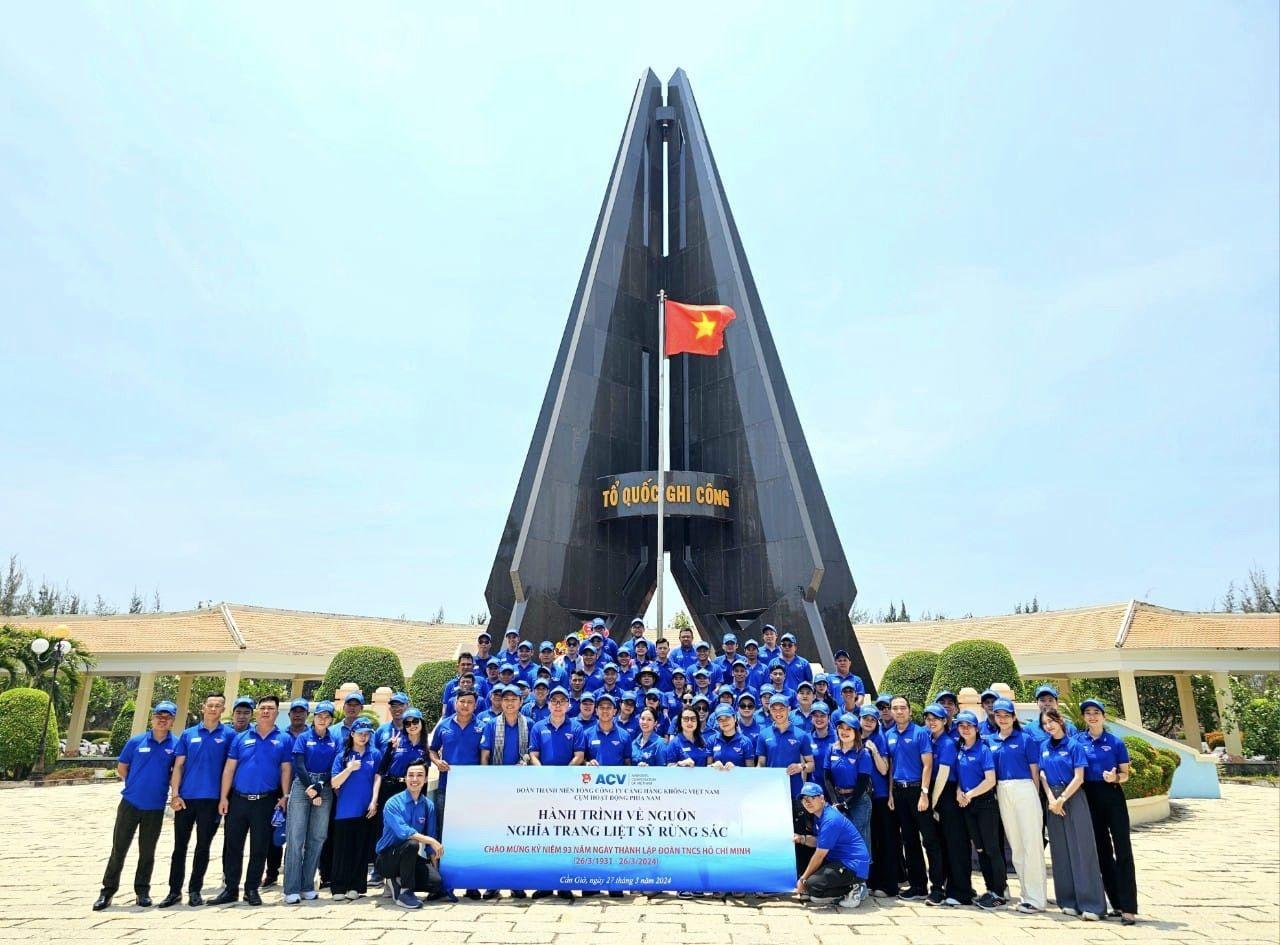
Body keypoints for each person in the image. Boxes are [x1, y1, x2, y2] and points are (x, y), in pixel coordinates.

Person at [93, 701, 179, 911]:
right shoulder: (136, 741)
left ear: (172, 720)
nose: (162, 720)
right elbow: (122, 768)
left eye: (167, 717)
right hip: (130, 803)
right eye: (159, 715)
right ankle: (108, 890)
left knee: (147, 851)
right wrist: (135, 784)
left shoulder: (176, 745)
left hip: (155, 807)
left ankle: (142, 890)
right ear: (153, 718)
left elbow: (176, 773)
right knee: (118, 849)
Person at [212, 695, 291, 907]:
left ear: (276, 713)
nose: (266, 711)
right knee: (233, 846)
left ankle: (251, 889)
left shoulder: (283, 739)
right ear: (257, 711)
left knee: (259, 847)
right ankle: (230, 889)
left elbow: (285, 769)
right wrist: (223, 797)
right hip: (238, 799)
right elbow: (229, 768)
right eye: (263, 708)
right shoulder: (240, 738)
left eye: (270, 709)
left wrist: (285, 796)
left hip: (265, 801)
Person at [162, 692, 231, 908]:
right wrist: (175, 794)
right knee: (179, 847)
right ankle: (174, 891)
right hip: (186, 799)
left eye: (217, 706)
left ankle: (194, 890)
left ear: (223, 710)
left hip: (211, 800)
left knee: (203, 847)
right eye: (210, 705)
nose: (213, 709)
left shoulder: (228, 736)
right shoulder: (188, 734)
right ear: (203, 707)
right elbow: (178, 766)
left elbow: (230, 769)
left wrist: (223, 798)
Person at [1038, 708, 1107, 920]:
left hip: (1073, 797)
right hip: (1053, 800)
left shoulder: (1074, 745)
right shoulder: (1044, 746)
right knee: (1061, 851)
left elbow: (1079, 777)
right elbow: (1042, 774)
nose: (1048, 726)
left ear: (1060, 722)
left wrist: (1062, 799)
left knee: (1082, 849)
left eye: (1051, 721)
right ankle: (1067, 900)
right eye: (1045, 723)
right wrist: (1051, 799)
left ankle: (1091, 904)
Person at [1077, 698, 1138, 925]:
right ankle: (1116, 902)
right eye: (1088, 713)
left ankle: (1129, 907)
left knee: (1123, 849)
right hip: (1089, 796)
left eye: (1096, 712)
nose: (1092, 716)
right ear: (1083, 717)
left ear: (1103, 716)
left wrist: (1115, 778)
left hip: (1112, 795)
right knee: (1102, 851)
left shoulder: (1115, 742)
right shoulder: (1078, 742)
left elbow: (1126, 774)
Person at [986, 697, 1046, 913]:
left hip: (1024, 788)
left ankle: (1037, 898)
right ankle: (1026, 894)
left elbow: (1034, 771)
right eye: (998, 715)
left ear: (1013, 717)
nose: (1002, 719)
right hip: (1003, 789)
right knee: (1017, 846)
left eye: (1006, 715)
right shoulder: (991, 741)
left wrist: (1036, 795)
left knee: (1032, 844)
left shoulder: (1025, 739)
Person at [885, 695, 940, 903]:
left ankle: (937, 886)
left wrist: (925, 793)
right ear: (890, 711)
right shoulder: (888, 734)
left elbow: (927, 765)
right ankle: (918, 885)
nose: (899, 711)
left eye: (902, 708)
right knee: (909, 841)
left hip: (918, 790)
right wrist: (890, 793)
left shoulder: (920, 733)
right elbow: (891, 766)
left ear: (909, 710)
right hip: (899, 792)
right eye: (895, 708)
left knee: (930, 840)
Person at [282, 700, 339, 903]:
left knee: (317, 837)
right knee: (296, 838)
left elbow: (334, 766)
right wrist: (310, 788)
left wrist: (319, 787)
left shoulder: (335, 740)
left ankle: (307, 885)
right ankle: (291, 888)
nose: (322, 720)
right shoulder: (304, 737)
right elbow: (298, 764)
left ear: (331, 720)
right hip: (302, 785)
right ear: (313, 718)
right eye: (319, 716)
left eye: (326, 717)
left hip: (324, 786)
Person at [952, 710, 1006, 910]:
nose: (964, 729)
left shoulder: (983, 750)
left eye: (969, 726)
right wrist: (959, 792)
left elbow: (990, 780)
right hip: (968, 804)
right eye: (961, 725)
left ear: (976, 728)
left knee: (992, 849)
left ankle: (999, 892)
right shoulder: (960, 750)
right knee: (981, 849)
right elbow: (960, 778)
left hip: (984, 804)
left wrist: (970, 794)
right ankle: (989, 889)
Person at [757, 693, 815, 874]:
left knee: (797, 836)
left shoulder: (802, 735)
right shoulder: (764, 735)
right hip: (772, 796)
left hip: (795, 794)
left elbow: (811, 765)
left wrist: (801, 766)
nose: (778, 712)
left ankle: (801, 880)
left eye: (782, 708)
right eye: (774, 709)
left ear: (789, 710)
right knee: (772, 836)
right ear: (769, 711)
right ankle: (773, 877)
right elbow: (761, 763)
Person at [374, 760, 445, 909]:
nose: (414, 779)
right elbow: (403, 832)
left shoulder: (428, 805)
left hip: (409, 857)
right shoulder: (393, 803)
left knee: (436, 882)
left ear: (425, 779)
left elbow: (430, 847)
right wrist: (430, 840)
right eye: (411, 775)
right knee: (412, 844)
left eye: (419, 775)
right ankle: (404, 892)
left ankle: (397, 881)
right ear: (405, 778)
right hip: (387, 859)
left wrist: (435, 869)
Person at [923, 702, 972, 907]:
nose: (932, 722)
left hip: (946, 795)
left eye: (936, 718)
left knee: (955, 845)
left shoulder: (947, 743)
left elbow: (943, 775)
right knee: (939, 844)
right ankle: (941, 887)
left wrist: (932, 804)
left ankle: (961, 892)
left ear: (945, 721)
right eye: (928, 718)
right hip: (935, 793)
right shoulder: (930, 740)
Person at [328, 718, 382, 899]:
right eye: (360, 733)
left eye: (367, 734)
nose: (363, 737)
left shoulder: (374, 754)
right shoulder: (342, 756)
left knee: (360, 849)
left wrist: (374, 800)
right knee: (342, 849)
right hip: (345, 809)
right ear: (352, 734)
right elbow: (334, 782)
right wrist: (349, 769)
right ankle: (338, 887)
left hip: (365, 808)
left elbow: (377, 778)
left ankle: (355, 887)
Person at [793, 782, 870, 909]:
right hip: (840, 861)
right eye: (804, 799)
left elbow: (819, 855)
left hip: (852, 865)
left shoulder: (830, 819)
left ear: (822, 798)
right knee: (813, 887)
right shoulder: (820, 816)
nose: (807, 802)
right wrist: (802, 839)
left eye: (811, 798)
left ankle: (854, 888)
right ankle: (845, 888)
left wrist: (803, 880)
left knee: (812, 886)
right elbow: (821, 841)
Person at [857, 705, 897, 898]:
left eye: (872, 720)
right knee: (868, 840)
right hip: (861, 798)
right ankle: (870, 880)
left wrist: (873, 751)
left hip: (879, 796)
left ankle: (887, 884)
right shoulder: (854, 738)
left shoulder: (879, 739)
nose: (868, 722)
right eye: (865, 718)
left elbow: (884, 769)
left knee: (884, 841)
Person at [825, 711, 871, 846]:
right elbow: (827, 778)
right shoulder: (831, 749)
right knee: (841, 840)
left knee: (858, 841)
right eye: (841, 728)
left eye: (848, 729)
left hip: (858, 801)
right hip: (838, 800)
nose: (844, 732)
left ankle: (864, 867)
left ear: (856, 732)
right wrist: (835, 802)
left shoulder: (863, 753)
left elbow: (863, 783)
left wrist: (847, 804)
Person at [581, 693, 632, 765]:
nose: (605, 711)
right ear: (596, 711)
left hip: (617, 776)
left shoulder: (625, 735)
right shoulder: (586, 734)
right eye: (601, 707)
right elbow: (581, 759)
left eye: (608, 708)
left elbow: (628, 761)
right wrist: (587, 763)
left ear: (614, 711)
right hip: (594, 776)